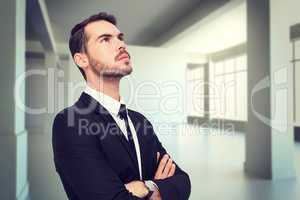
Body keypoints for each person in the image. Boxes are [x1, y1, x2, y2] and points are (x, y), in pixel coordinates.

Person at [52, 12, 191, 200]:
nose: (121, 44)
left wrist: (144, 188)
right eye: (105, 39)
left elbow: (182, 181)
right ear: (81, 59)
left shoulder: (140, 121)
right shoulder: (69, 123)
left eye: (120, 38)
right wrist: (158, 187)